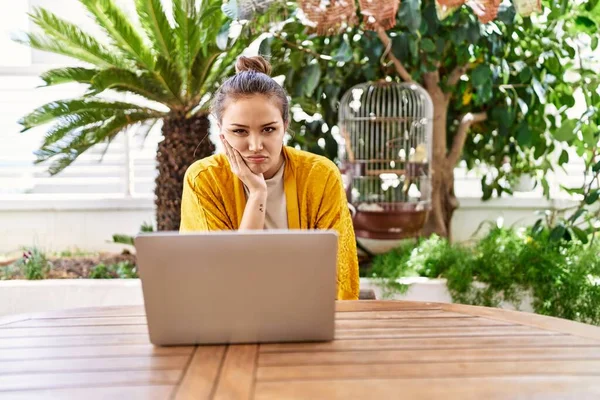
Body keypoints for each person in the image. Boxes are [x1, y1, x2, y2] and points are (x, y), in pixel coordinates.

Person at [179, 55, 359, 300]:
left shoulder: (320, 175)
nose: (255, 145)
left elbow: (341, 274)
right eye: (239, 131)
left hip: (307, 315)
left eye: (268, 129)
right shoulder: (204, 179)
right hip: (231, 317)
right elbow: (221, 280)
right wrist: (257, 194)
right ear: (221, 130)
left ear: (285, 125)